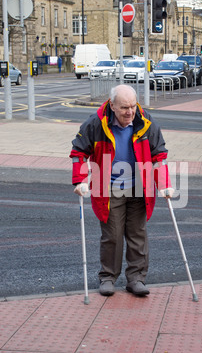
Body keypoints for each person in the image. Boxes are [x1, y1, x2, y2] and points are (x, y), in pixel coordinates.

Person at [70, 84, 174, 297]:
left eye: (133, 106)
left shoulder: (146, 123)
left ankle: (136, 279)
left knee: (137, 235)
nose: (130, 112)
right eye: (125, 107)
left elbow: (158, 156)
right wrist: (80, 180)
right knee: (113, 236)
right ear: (112, 106)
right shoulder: (95, 124)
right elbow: (79, 152)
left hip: (139, 187)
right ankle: (108, 277)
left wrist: (164, 184)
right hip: (108, 189)